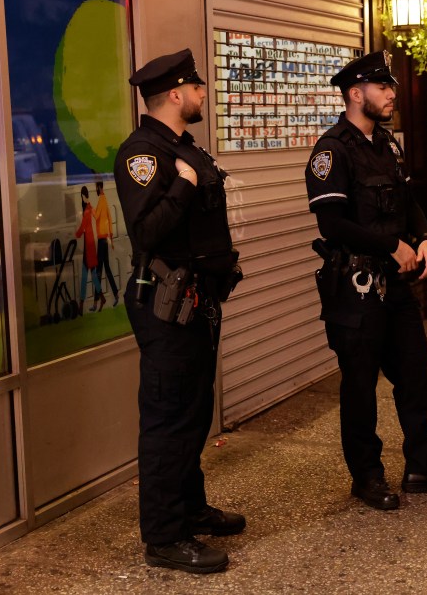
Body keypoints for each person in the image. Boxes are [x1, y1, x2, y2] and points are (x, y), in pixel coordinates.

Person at [304, 50, 427, 512]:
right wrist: (388, 246)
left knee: (416, 376)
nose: (392, 94)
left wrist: (425, 237)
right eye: (383, 87)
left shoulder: (387, 144)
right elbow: (331, 224)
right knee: (359, 388)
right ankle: (368, 477)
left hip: (396, 286)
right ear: (355, 93)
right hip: (356, 289)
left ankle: (422, 465)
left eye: (391, 87)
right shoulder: (331, 150)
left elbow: (408, 199)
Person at [114, 48, 244, 574]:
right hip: (167, 305)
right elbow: (147, 232)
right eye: (197, 88)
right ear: (175, 93)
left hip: (197, 303)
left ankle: (189, 509)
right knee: (168, 421)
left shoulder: (180, 146)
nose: (202, 95)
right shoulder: (142, 154)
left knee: (191, 416)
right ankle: (165, 538)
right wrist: (185, 185)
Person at [74, 185, 103, 312]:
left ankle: (82, 304)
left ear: (82, 196)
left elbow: (83, 227)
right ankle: (100, 298)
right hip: (90, 245)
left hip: (89, 246)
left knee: (87, 276)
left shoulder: (86, 210)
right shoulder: (88, 208)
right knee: (90, 276)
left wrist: (76, 234)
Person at [93, 180, 120, 306]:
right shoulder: (104, 200)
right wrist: (111, 237)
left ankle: (97, 298)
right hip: (105, 238)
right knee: (104, 268)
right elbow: (109, 218)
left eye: (96, 187)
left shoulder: (101, 201)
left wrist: (89, 207)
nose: (95, 189)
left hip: (102, 239)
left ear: (99, 187)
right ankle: (107, 295)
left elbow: (97, 216)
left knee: (100, 269)